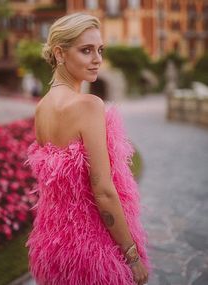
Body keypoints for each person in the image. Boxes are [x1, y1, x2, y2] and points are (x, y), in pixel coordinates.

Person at [25, 12, 151, 285]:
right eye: (86, 50)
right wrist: (132, 256)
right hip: (91, 251)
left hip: (53, 247)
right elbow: (103, 191)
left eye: (99, 50)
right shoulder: (88, 105)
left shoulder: (41, 108)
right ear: (60, 53)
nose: (97, 59)